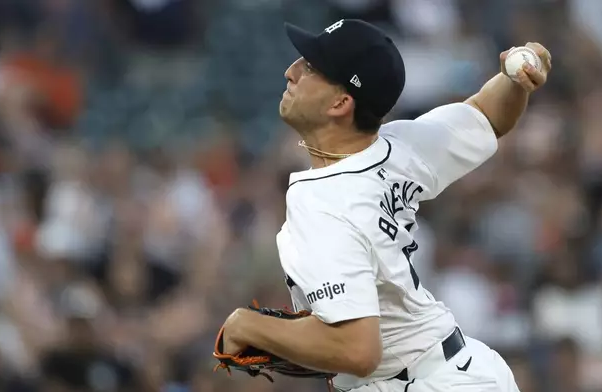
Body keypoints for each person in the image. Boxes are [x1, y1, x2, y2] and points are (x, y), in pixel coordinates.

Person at [219, 19, 552, 392]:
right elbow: (488, 115)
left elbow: (359, 351)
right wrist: (516, 81)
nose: (291, 71)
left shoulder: (322, 203)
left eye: (310, 67)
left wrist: (247, 326)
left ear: (341, 102)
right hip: (462, 371)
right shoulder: (397, 148)